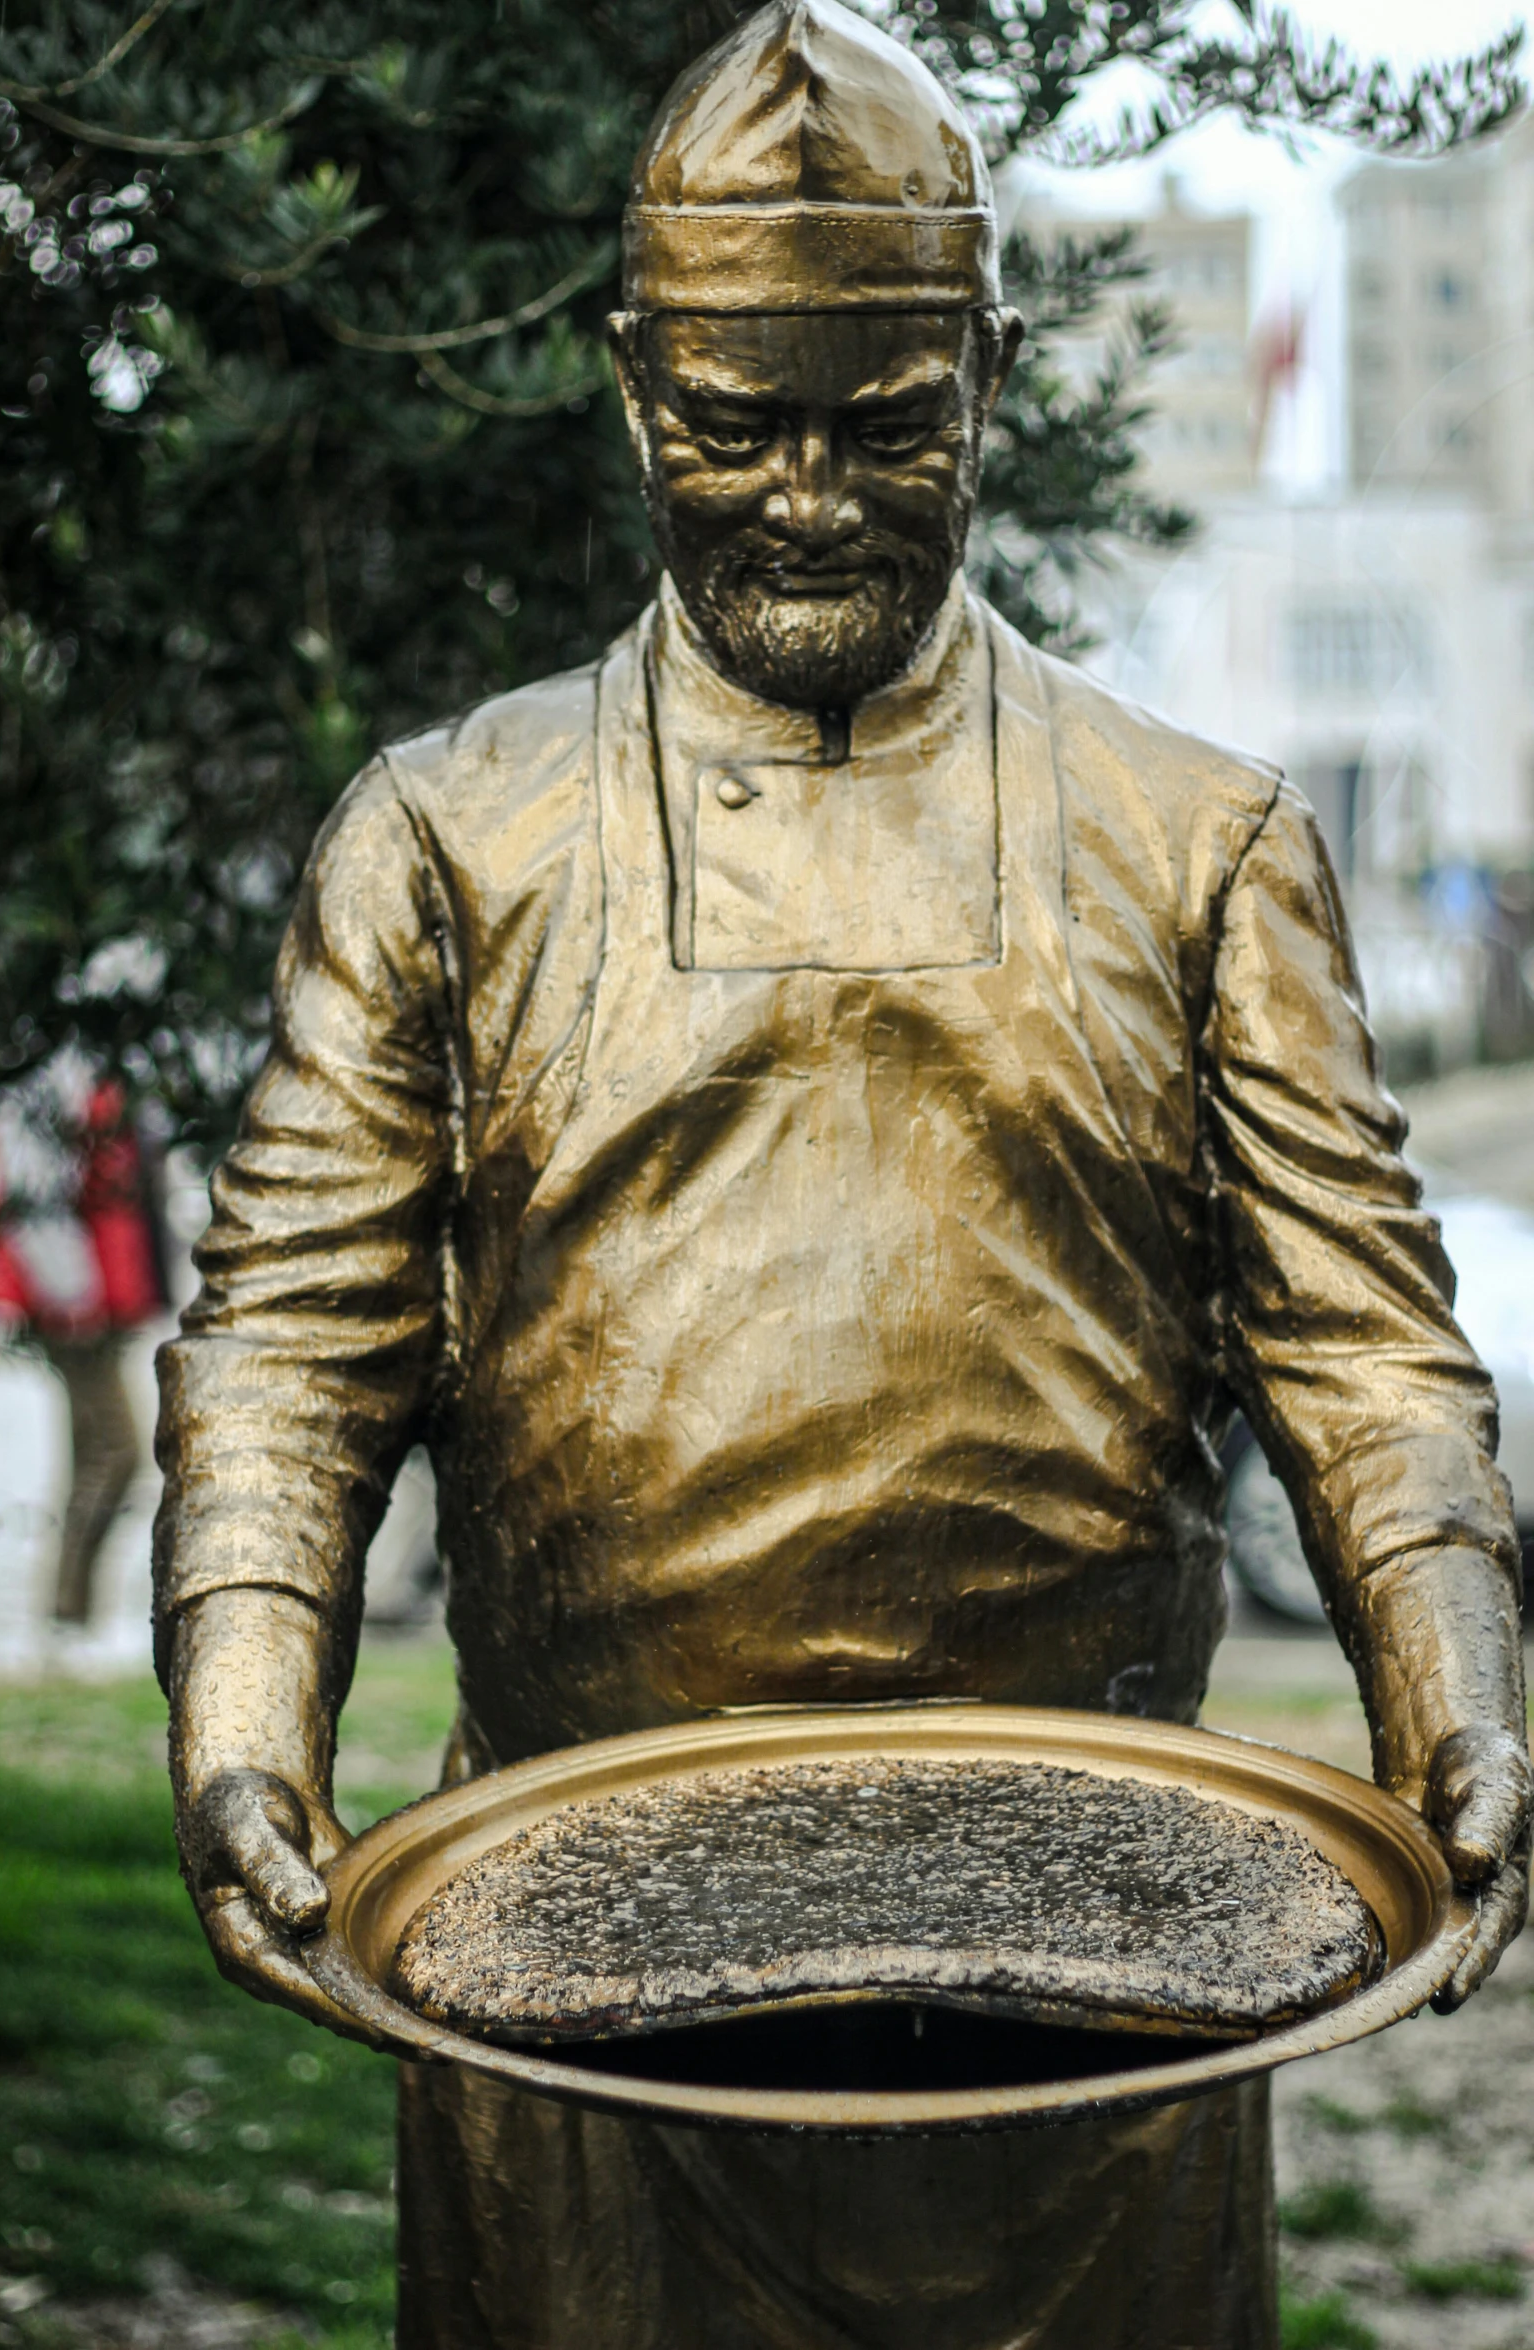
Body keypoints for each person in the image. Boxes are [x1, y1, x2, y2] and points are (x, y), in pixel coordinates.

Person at [154, 6, 1531, 2343]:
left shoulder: (1195, 843)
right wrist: (237, 1700)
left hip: (1098, 1972)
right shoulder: (442, 840)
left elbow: (1363, 1349)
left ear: (985, 369)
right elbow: (289, 1334)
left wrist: (1457, 1686)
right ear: (627, 386)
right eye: (731, 424)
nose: (805, 495)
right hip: (568, 1975)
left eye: (882, 424)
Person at [0, 1068, 163, 1624]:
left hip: (95, 1296)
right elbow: (39, 1200)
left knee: (93, 1446)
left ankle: (69, 1606)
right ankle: (69, 1605)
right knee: (117, 1448)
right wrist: (73, 1295)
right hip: (76, 1301)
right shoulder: (49, 1081)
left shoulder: (92, 1071)